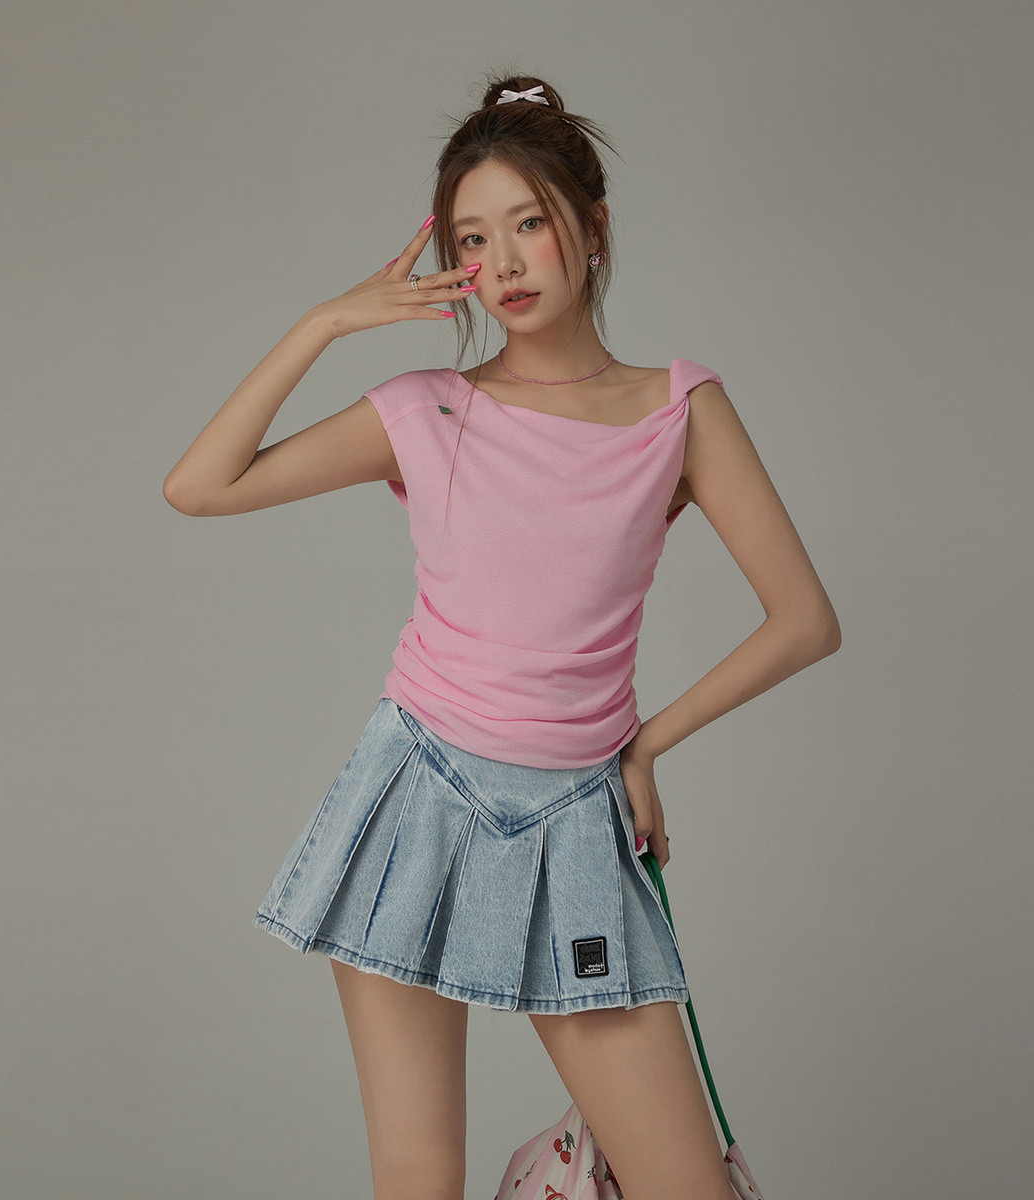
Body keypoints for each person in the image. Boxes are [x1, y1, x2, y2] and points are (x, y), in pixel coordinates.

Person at [163, 70, 840, 1200]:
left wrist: (645, 745)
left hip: (576, 816)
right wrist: (327, 322)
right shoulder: (428, 406)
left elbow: (805, 620)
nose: (505, 263)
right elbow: (199, 486)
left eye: (530, 223)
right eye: (473, 240)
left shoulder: (679, 409)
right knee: (417, 1179)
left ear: (594, 227)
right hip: (414, 797)